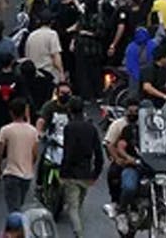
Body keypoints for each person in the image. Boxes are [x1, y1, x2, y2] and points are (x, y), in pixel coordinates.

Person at [61, 98, 104, 238]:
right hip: (86, 173)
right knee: (78, 205)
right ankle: (78, 230)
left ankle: (79, 234)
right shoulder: (91, 128)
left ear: (70, 110)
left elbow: (68, 152)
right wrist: (96, 174)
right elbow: (98, 153)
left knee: (72, 208)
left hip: (72, 174)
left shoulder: (69, 128)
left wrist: (63, 172)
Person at [0, 99, 38, 213]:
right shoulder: (33, 131)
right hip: (27, 175)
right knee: (20, 204)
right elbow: (35, 154)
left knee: (13, 209)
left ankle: (16, 229)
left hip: (11, 173)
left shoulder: (5, 130)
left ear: (11, 112)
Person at [139, 43, 166, 107]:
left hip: (159, 102)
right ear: (162, 58)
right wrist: (164, 96)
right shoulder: (149, 69)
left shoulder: (163, 69)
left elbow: (165, 84)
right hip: (148, 103)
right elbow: (147, 87)